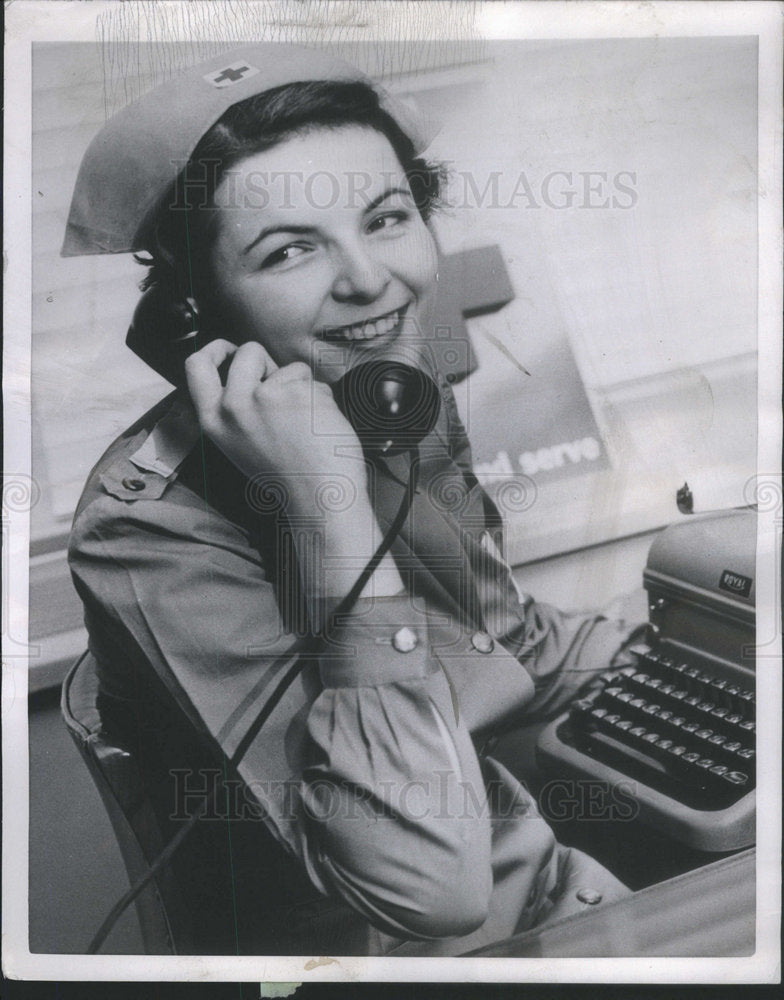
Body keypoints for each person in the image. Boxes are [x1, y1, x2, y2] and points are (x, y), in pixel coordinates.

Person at [64, 44, 643, 956]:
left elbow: (512, 643)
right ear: (194, 313)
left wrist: (725, 642)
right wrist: (328, 501)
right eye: (290, 248)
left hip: (552, 896)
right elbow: (428, 890)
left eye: (386, 218)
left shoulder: (389, 390)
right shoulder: (148, 527)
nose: (370, 280)